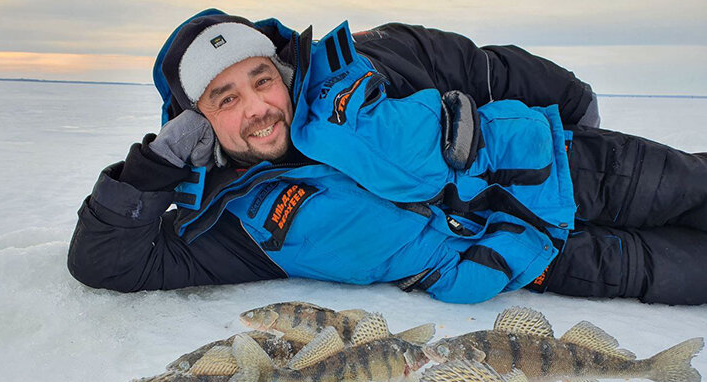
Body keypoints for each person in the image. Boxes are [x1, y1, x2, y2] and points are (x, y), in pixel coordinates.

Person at [67, 9, 707, 305]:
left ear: (283, 71)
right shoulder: (234, 228)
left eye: (263, 78)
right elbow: (107, 262)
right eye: (225, 97)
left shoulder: (369, 61)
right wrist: (152, 170)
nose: (258, 106)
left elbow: (482, 67)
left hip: (579, 169)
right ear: (196, 121)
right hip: (546, 263)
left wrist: (572, 108)